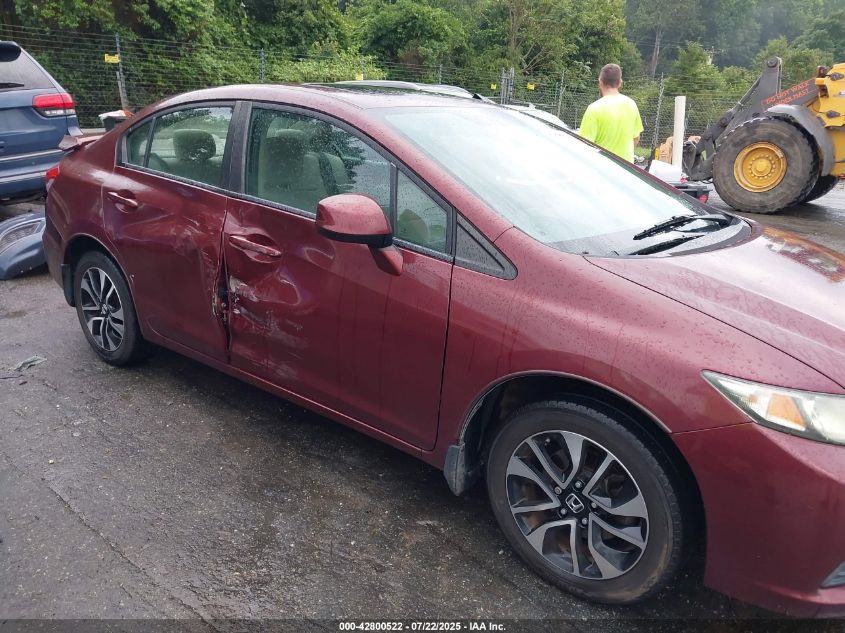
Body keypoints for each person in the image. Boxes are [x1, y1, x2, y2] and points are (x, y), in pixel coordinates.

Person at [579, 64, 643, 162]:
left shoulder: (594, 109)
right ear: (620, 83)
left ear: (600, 82)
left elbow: (584, 145)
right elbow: (636, 138)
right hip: (625, 167)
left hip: (601, 168)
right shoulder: (631, 104)